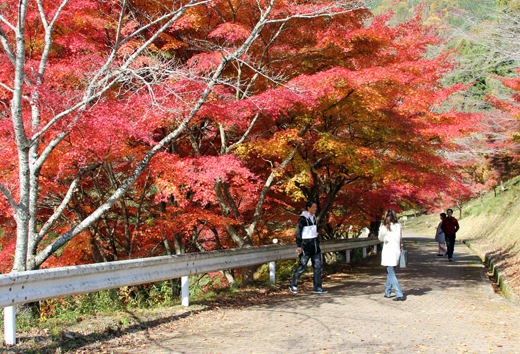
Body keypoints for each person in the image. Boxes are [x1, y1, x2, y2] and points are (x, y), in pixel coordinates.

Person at [289, 201, 328, 294]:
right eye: (313, 207)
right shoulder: (302, 219)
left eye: (315, 207)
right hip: (306, 246)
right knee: (302, 266)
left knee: (318, 266)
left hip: (315, 246)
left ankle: (317, 288)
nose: (315, 208)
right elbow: (298, 233)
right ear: (308, 208)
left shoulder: (314, 217)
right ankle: (293, 285)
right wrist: (299, 245)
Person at [378, 209, 404, 301]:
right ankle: (387, 292)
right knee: (390, 271)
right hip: (396, 251)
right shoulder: (398, 225)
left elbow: (380, 238)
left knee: (391, 272)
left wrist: (380, 230)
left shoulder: (385, 227)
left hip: (389, 252)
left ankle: (399, 293)